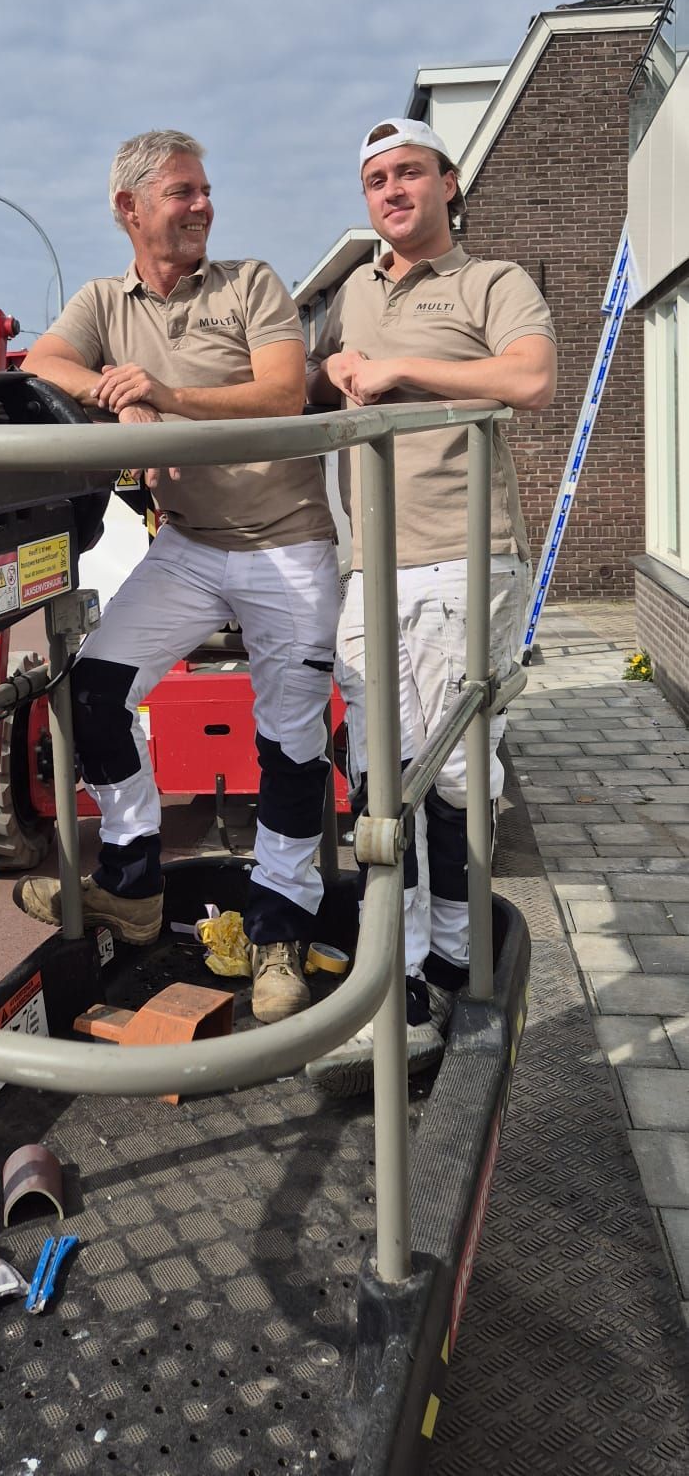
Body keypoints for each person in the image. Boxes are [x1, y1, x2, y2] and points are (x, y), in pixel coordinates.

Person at [14, 129, 340, 1024]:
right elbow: (43, 362)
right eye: (181, 193)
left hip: (284, 544)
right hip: (191, 545)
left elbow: (282, 393)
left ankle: (279, 932)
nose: (202, 207)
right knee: (93, 694)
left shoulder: (250, 284)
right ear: (129, 209)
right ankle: (132, 881)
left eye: (204, 191)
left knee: (291, 741)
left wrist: (163, 398)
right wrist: (111, 395)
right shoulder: (102, 299)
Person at [305, 117, 556, 1089]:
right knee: (381, 777)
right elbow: (315, 394)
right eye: (374, 178)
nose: (391, 189)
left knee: (453, 773)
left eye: (409, 171)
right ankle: (403, 978)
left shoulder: (491, 281)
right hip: (371, 565)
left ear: (450, 183)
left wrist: (402, 369)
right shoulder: (353, 293)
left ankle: (456, 960)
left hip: (462, 558)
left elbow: (530, 378)